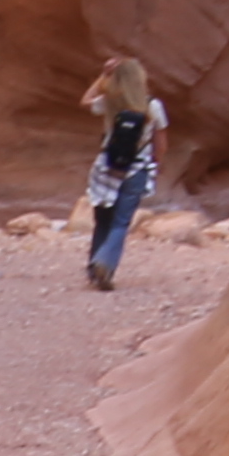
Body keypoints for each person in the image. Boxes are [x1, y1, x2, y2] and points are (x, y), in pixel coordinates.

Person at [80, 59, 162, 291]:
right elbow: (161, 142)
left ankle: (94, 271)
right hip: (136, 169)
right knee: (121, 223)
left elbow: (85, 101)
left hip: (106, 169)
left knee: (102, 220)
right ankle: (104, 265)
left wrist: (103, 76)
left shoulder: (109, 102)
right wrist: (156, 162)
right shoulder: (153, 106)